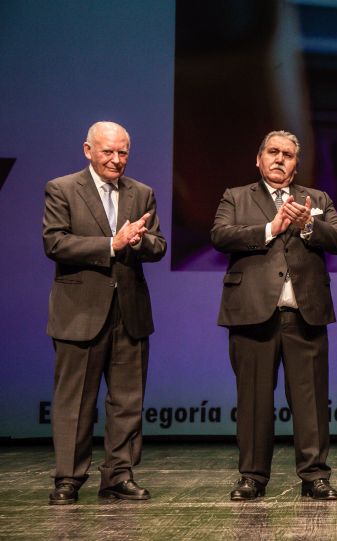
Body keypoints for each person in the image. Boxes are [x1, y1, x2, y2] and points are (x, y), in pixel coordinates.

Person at [211, 130, 337, 501]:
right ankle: (252, 477)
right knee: (254, 400)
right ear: (259, 159)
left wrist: (308, 225)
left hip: (305, 314)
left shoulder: (316, 198)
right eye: (273, 152)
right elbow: (220, 235)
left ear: (295, 165)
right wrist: (271, 228)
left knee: (311, 401)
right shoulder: (236, 196)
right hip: (252, 314)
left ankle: (315, 476)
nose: (279, 159)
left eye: (288, 155)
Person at [43, 121, 166, 505]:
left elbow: (158, 245)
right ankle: (68, 478)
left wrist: (140, 241)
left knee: (127, 401)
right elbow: (55, 242)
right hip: (80, 312)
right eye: (108, 151)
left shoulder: (142, 193)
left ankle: (118, 476)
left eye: (123, 152)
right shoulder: (62, 189)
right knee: (75, 402)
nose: (116, 159)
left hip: (129, 313)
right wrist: (112, 244)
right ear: (88, 150)